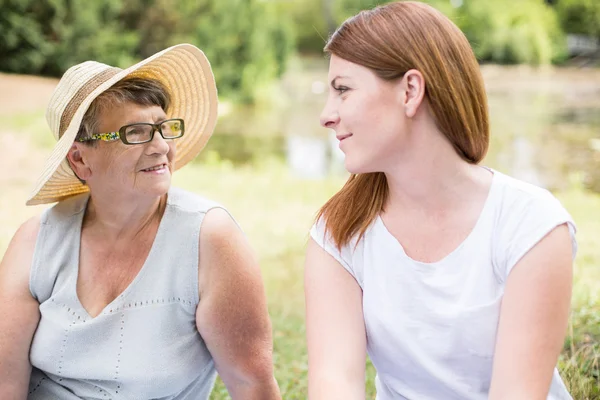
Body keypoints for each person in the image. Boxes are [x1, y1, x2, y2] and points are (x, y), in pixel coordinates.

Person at [305, 2, 576, 399]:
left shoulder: (530, 225)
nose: (327, 115)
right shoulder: (338, 232)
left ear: (411, 91)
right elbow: (335, 385)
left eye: (343, 89)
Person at [0, 44, 281, 400]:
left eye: (165, 128)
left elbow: (251, 385)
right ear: (81, 160)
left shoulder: (208, 240)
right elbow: (5, 385)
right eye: (135, 132)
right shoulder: (35, 241)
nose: (161, 146)